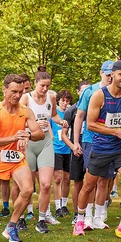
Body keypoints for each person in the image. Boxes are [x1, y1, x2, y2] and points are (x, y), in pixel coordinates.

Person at [74, 60, 121, 241]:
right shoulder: (99, 95)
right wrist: (116, 132)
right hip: (101, 147)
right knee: (88, 186)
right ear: (112, 75)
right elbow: (90, 124)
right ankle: (80, 220)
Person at [0, 74, 44, 242]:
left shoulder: (25, 111)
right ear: (4, 90)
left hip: (17, 159)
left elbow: (40, 133)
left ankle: (11, 226)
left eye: (20, 92)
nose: (17, 95)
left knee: (28, 190)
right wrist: (14, 138)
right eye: (13, 91)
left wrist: (28, 135)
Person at [19, 68, 68, 233]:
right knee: (27, 185)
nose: (45, 89)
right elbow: (17, 120)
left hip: (46, 142)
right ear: (35, 84)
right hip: (30, 143)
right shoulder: (26, 98)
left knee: (46, 184)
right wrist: (30, 125)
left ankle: (41, 219)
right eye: (42, 86)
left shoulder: (51, 98)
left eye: (48, 86)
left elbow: (53, 115)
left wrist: (61, 122)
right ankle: (20, 217)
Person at [72, 61, 114, 230]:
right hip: (91, 140)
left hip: (111, 140)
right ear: (101, 73)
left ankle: (99, 216)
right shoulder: (90, 91)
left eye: (112, 74)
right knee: (91, 179)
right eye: (107, 74)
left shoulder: (118, 92)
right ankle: (86, 216)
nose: (110, 77)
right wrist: (76, 142)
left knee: (105, 179)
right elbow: (79, 116)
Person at [63, 81, 90, 223]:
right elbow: (63, 135)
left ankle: (90, 214)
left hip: (91, 146)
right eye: (83, 91)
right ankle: (76, 213)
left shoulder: (95, 107)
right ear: (78, 92)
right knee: (78, 182)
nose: (86, 94)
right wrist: (74, 146)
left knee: (93, 182)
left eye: (88, 91)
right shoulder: (71, 111)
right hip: (77, 148)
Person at [52, 89, 73, 218]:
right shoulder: (54, 114)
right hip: (56, 148)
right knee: (58, 178)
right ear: (58, 101)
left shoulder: (71, 113)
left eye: (67, 101)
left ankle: (64, 204)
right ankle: (58, 206)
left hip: (68, 148)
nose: (65, 103)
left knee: (67, 178)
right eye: (63, 100)